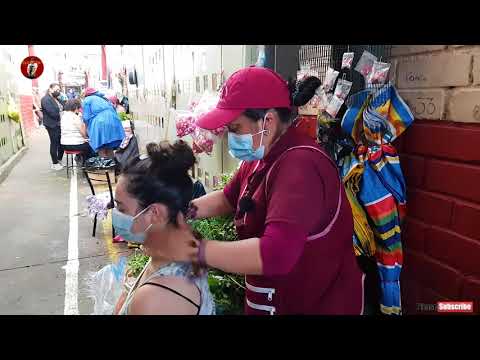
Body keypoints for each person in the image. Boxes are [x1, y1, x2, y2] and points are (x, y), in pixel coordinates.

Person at [143, 66, 365, 315]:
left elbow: (276, 254)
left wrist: (192, 249)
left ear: (267, 121)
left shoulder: (301, 166)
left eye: (235, 128)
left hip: (315, 303)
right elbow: (228, 198)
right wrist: (180, 211)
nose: (229, 137)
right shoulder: (260, 156)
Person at [112, 140, 215, 315]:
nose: (115, 214)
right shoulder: (166, 256)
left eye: (121, 208)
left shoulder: (157, 297)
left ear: (155, 213)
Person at [81, 88, 125, 158]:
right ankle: (112, 165)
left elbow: (86, 117)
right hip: (114, 120)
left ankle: (104, 166)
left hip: (101, 122)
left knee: (100, 145)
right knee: (109, 146)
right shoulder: (103, 99)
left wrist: (86, 132)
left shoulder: (87, 100)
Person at [60, 99, 96, 163]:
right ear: (76, 107)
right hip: (74, 145)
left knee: (85, 144)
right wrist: (84, 123)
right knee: (91, 147)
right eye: (79, 108)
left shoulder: (63, 116)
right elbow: (83, 134)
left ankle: (80, 159)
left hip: (64, 144)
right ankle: (87, 166)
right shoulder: (75, 117)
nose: (79, 110)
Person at [41, 83, 64, 170]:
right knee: (54, 143)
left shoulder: (57, 99)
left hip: (60, 124)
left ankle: (59, 160)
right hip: (52, 125)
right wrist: (62, 114)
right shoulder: (45, 99)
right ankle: (55, 163)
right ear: (50, 89)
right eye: (56, 89)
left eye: (59, 90)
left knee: (61, 143)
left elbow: (64, 106)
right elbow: (52, 112)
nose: (58, 91)